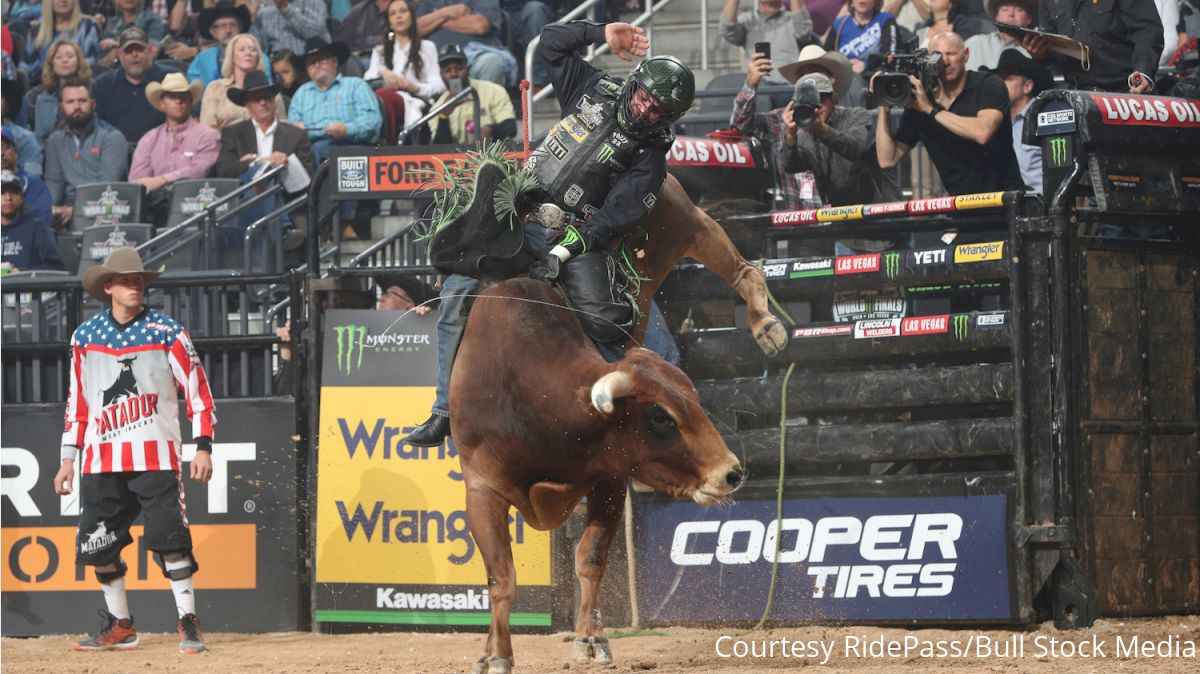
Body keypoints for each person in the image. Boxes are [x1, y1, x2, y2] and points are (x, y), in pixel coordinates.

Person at [403, 20, 693, 447]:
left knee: (609, 321)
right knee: (457, 292)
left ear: (668, 118)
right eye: (645, 97)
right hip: (514, 216)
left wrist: (564, 250)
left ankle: (657, 409)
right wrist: (602, 34)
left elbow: (613, 219)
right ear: (634, 85)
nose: (645, 110)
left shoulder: (649, 159)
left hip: (573, 236)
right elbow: (551, 42)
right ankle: (444, 411)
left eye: (657, 110)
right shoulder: (593, 89)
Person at [55, 247, 215, 655]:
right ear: (108, 287)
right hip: (99, 459)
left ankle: (187, 622)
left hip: (156, 458)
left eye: (139, 279)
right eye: (127, 280)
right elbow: (78, 403)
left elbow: (198, 391)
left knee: (171, 540)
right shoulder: (84, 338)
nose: (135, 285)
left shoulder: (167, 331)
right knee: (97, 546)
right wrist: (67, 457)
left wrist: (203, 446)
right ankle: (121, 625)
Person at [875, 31, 1022, 195]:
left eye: (951, 54)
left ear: (965, 55)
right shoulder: (921, 103)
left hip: (1004, 199)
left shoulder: (988, 84)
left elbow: (982, 132)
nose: (944, 62)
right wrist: (884, 102)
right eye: (937, 55)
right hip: (961, 206)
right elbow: (887, 159)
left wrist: (931, 110)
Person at [214, 69, 315, 248]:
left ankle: (280, 229)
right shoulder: (234, 133)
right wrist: (257, 160)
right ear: (246, 104)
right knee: (259, 175)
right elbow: (224, 169)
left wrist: (287, 164)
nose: (263, 102)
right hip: (244, 200)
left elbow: (308, 178)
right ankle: (282, 231)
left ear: (274, 101)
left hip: (285, 196)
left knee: (269, 177)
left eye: (267, 97)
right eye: (256, 98)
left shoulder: (296, 135)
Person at [734, 44, 838, 210]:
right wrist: (750, 84)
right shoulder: (782, 119)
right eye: (804, 75)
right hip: (800, 225)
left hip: (843, 221)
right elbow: (740, 125)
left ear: (831, 80)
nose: (810, 81)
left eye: (815, 73)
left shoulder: (848, 119)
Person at [781, 70, 901, 205]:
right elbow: (790, 167)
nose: (816, 107)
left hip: (879, 209)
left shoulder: (856, 116)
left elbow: (854, 148)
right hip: (839, 214)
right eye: (808, 102)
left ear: (833, 98)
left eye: (821, 99)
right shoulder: (802, 134)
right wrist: (790, 136)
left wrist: (822, 131)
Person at [128, 72, 221, 225]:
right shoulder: (148, 139)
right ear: (162, 103)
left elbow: (199, 170)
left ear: (190, 101)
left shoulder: (208, 135)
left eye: (183, 96)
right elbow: (138, 181)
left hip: (195, 209)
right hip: (154, 210)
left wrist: (161, 180)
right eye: (172, 96)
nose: (178, 101)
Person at [1023, 0, 1163, 92]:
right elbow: (1051, 45)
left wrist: (1144, 71)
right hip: (1077, 94)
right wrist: (1039, 53)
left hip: (1125, 90)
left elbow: (1147, 30)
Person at [44, 79, 130, 227]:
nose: (77, 106)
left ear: (93, 104)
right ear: (61, 107)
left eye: (82, 101)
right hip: (66, 209)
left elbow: (107, 186)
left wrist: (76, 210)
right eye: (70, 102)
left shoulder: (112, 137)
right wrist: (50, 208)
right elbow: (54, 182)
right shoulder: (56, 140)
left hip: (104, 210)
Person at [288, 38, 381, 162]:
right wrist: (297, 132)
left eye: (321, 60)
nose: (317, 65)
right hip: (314, 152)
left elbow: (372, 121)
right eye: (311, 63)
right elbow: (293, 129)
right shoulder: (301, 94)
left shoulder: (356, 85)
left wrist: (347, 129)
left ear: (334, 62)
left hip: (354, 147)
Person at [364, 0, 445, 143]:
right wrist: (383, 72)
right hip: (385, 97)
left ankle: (386, 148)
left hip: (415, 100)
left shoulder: (427, 47)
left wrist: (414, 86)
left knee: (383, 96)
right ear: (389, 21)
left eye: (403, 11)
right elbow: (367, 79)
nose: (398, 16)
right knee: (379, 96)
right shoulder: (380, 50)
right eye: (393, 14)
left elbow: (439, 85)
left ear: (412, 17)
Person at [92, 26, 179, 147]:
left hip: (161, 150)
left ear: (150, 51)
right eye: (128, 50)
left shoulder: (171, 78)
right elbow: (95, 128)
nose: (134, 54)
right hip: (116, 151)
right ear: (119, 54)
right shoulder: (103, 84)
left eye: (140, 49)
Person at [720, 0, 815, 105]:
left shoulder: (791, 19)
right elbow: (727, 30)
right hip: (756, 88)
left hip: (786, 88)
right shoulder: (748, 20)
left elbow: (804, 32)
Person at [986, 49, 1050, 194]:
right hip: (1008, 206)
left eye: (1008, 78)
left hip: (1040, 206)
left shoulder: (1044, 117)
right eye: (998, 78)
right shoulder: (995, 121)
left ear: (1027, 86)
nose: (1000, 84)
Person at [415, 0, 517, 86]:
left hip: (475, 57)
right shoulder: (428, 2)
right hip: (436, 64)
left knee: (493, 62)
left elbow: (479, 26)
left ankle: (483, 108)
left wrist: (434, 21)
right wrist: (445, 13)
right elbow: (415, 30)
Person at [428, 43, 515, 144]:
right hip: (457, 158)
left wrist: (491, 130)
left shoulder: (493, 90)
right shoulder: (437, 108)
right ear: (441, 74)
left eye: (459, 68)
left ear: (467, 69)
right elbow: (440, 150)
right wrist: (444, 117)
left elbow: (511, 128)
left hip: (494, 154)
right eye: (447, 70)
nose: (453, 74)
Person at [199, 32, 285, 130]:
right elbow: (207, 129)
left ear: (258, 57)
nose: (248, 53)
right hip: (224, 143)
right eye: (242, 50)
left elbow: (282, 129)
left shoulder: (272, 92)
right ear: (232, 57)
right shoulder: (215, 88)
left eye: (253, 50)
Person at [23, 39, 93, 143]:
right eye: (59, 57)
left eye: (70, 56)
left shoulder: (92, 92)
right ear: (52, 65)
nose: (65, 60)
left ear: (79, 62)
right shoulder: (38, 96)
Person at [2, 169, 64, 271]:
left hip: (27, 286)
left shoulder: (38, 227)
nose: (8, 198)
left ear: (21, 197)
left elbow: (56, 268)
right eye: (2, 193)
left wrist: (22, 273)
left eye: (13, 192)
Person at [23, 0, 101, 74]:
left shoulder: (88, 25)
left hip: (77, 82)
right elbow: (26, 66)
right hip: (42, 83)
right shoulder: (38, 29)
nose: (63, 0)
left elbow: (90, 62)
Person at [186, 0, 251, 86]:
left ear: (240, 29)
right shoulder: (203, 58)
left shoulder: (253, 56)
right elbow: (195, 86)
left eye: (232, 25)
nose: (228, 30)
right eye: (223, 26)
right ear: (213, 32)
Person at [827, 0, 899, 77]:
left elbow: (891, 57)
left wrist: (866, 64)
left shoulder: (886, 20)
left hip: (875, 77)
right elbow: (826, 58)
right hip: (844, 78)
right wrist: (845, 63)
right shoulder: (839, 24)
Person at [1, 127, 52, 224]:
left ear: (16, 152)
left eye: (6, 147)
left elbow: (42, 222)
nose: (1, 153)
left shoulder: (33, 183)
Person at [963, 0, 1032, 71]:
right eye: (1005, 9)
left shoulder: (1035, 52)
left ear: (1029, 18)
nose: (1011, 14)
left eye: (1019, 10)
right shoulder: (974, 44)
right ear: (997, 16)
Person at [98, 0, 166, 67]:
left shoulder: (152, 20)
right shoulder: (112, 23)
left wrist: (118, 45)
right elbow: (102, 63)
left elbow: (153, 52)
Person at [252, 0, 331, 56]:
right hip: (278, 68)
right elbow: (260, 49)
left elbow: (315, 34)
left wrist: (286, 9)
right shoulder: (264, 12)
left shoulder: (314, 2)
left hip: (308, 62)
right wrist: (252, 18)